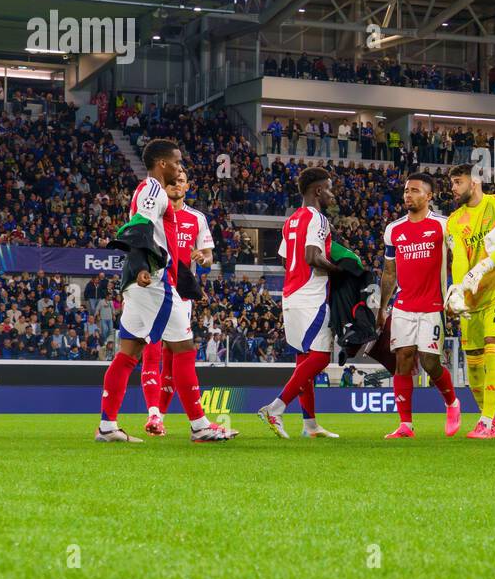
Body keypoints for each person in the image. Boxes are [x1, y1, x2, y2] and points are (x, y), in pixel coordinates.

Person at [95, 139, 235, 443]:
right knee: (184, 349)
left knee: (128, 354)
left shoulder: (146, 191)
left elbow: (141, 226)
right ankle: (200, 426)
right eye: (177, 161)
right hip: (156, 283)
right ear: (162, 164)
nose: (180, 167)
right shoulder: (153, 190)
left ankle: (107, 427)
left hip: (139, 283)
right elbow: (139, 227)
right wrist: (144, 266)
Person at [257, 168, 341, 439]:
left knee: (304, 361)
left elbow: (285, 259)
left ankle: (310, 426)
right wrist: (340, 272)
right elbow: (313, 257)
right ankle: (275, 408)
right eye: (328, 188)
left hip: (291, 295)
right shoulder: (318, 218)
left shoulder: (291, 220)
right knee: (320, 357)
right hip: (312, 296)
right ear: (317, 190)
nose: (332, 193)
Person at [378, 172, 462, 438]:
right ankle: (405, 425)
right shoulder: (394, 230)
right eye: (406, 190)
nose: (408, 195)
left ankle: (452, 402)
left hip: (433, 305)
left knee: (429, 362)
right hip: (403, 306)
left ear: (429, 196)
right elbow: (389, 272)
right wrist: (382, 307)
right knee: (402, 359)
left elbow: (460, 257)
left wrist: (456, 293)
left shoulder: (444, 225)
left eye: (415, 190)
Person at [443, 164, 495, 438]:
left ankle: (486, 422)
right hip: (473, 298)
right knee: (473, 361)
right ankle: (489, 419)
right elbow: (460, 260)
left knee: (493, 349)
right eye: (452, 182)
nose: (453, 187)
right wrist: (457, 290)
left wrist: (482, 268)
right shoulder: (454, 220)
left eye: (457, 181)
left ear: (474, 182)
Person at [139, 168, 215, 437]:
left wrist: (203, 259)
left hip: (182, 295)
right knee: (153, 351)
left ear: (187, 186)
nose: (176, 185)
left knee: (173, 360)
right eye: (172, 181)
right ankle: (157, 414)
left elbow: (208, 255)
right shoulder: (154, 212)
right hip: (156, 291)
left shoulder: (197, 218)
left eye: (181, 181)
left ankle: (159, 418)